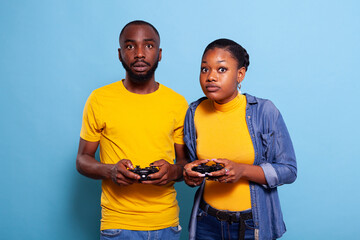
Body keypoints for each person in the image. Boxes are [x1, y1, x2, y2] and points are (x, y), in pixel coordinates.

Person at [76, 20, 188, 240]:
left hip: (166, 224)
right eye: (130, 46)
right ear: (120, 54)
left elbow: (185, 165)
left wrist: (172, 171)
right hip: (117, 224)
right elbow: (82, 160)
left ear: (160, 53)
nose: (139, 53)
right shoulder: (99, 99)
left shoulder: (177, 103)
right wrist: (110, 171)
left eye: (148, 45)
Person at [183, 39, 297, 240]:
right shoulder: (194, 112)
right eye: (204, 69)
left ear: (240, 74)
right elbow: (193, 165)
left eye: (221, 69)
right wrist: (191, 176)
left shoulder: (264, 111)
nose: (210, 77)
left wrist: (242, 170)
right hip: (206, 222)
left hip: (251, 224)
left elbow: (288, 170)